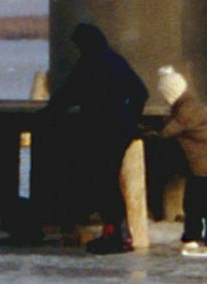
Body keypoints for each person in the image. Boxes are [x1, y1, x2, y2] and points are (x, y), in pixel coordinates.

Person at [46, 21, 148, 251]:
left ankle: (113, 233)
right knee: (108, 179)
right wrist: (131, 119)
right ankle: (118, 232)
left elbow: (67, 95)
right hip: (120, 129)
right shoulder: (116, 60)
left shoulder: (89, 63)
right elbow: (141, 93)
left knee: (103, 181)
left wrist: (48, 114)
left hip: (100, 131)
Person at [154, 64, 207, 257]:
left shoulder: (186, 111)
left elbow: (168, 131)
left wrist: (151, 132)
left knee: (203, 204)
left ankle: (206, 240)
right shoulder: (191, 105)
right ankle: (191, 237)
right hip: (206, 162)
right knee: (193, 202)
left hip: (204, 165)